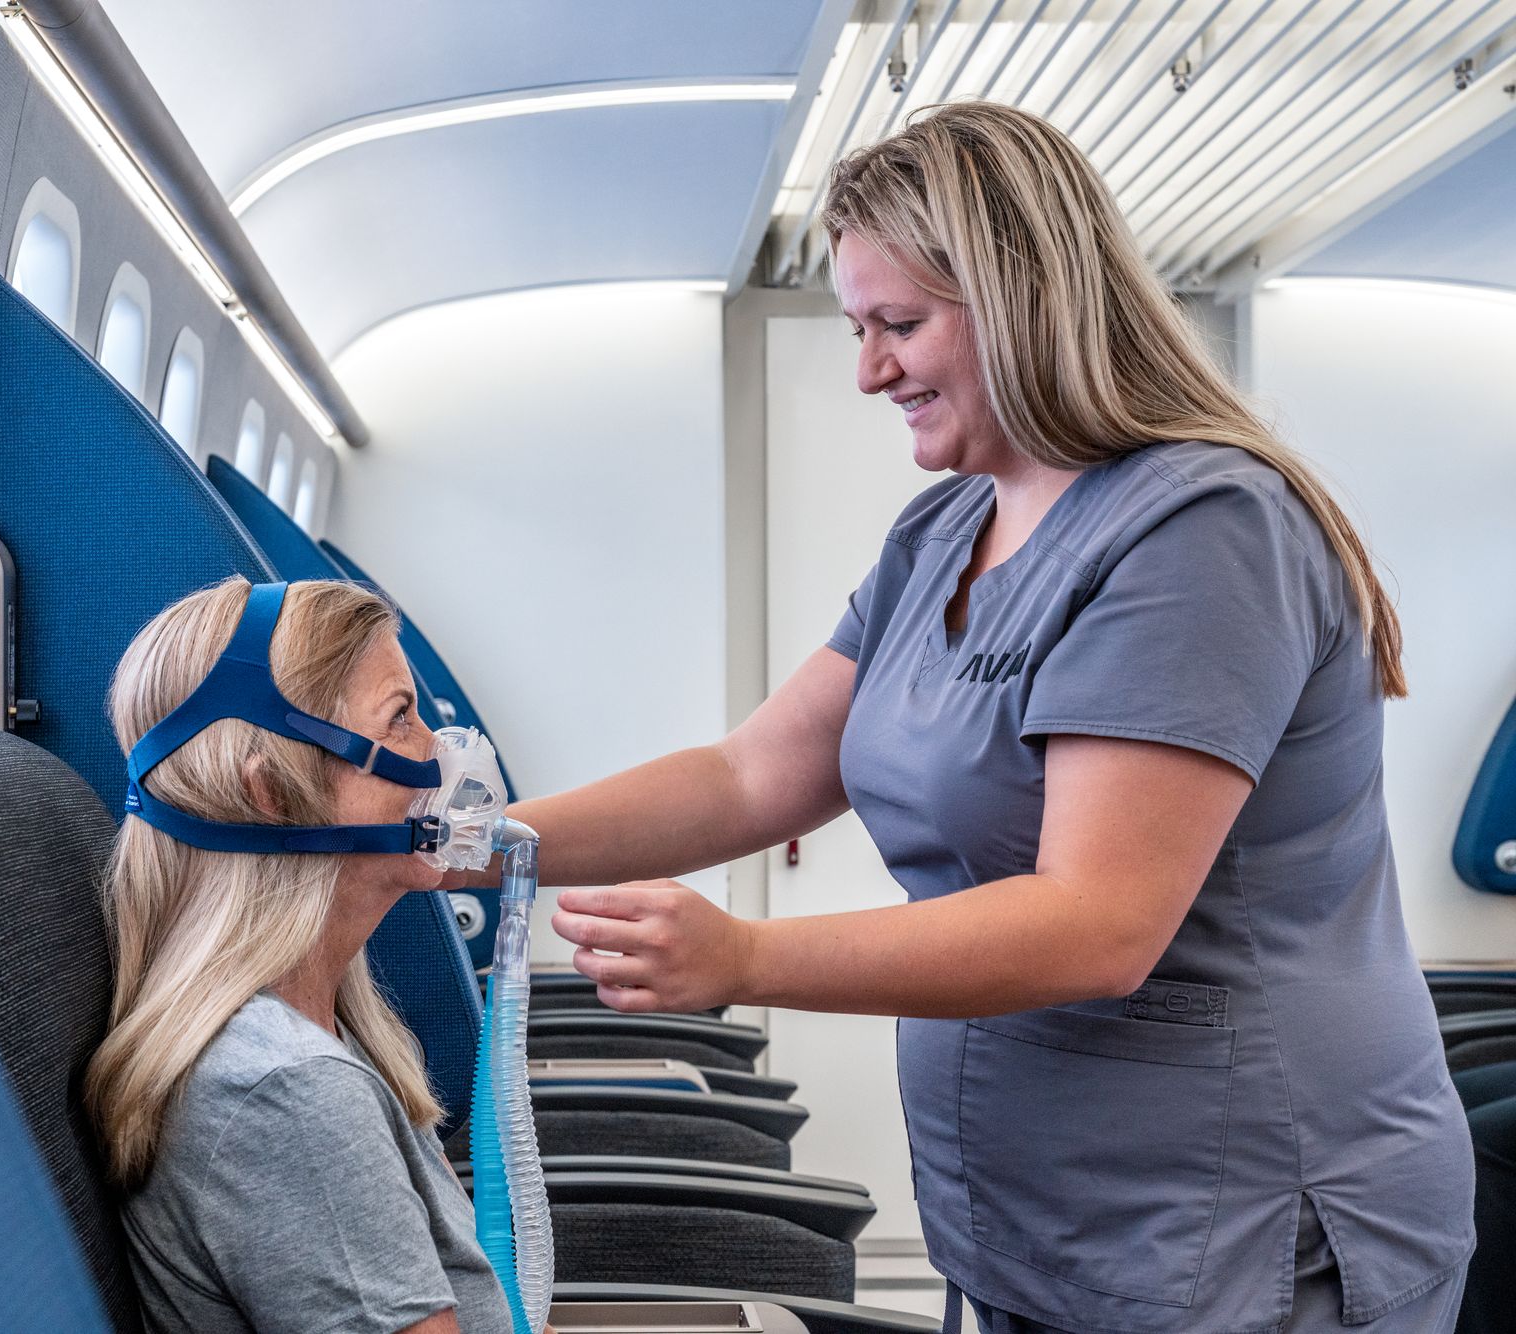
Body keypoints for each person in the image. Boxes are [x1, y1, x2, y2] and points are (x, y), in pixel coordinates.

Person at [503, 102, 1475, 1332]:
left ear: (1025, 299)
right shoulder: (945, 527)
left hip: (1236, 1218)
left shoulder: (1202, 532)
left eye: (898, 325)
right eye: (857, 329)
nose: (868, 370)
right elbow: (752, 776)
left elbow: (1095, 921)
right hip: (1030, 1207)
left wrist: (741, 959)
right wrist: (475, 840)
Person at [86, 577, 514, 1334]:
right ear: (273, 795)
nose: (437, 753)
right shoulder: (290, 1091)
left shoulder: (330, 1030)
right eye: (401, 717)